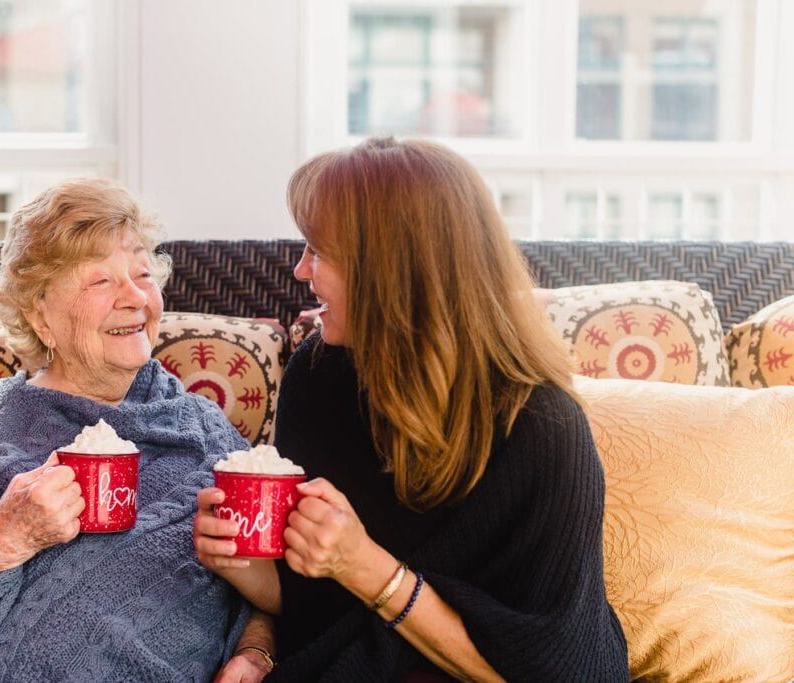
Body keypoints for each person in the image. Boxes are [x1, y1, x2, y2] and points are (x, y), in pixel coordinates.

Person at [194, 137, 629, 681]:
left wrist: (365, 566)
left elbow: (555, 668)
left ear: (394, 269)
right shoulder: (317, 374)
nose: (302, 270)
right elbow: (323, 608)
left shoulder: (543, 427)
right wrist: (247, 571)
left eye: (320, 251)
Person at [0, 178, 274, 682]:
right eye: (101, 282)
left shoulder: (206, 432)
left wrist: (255, 652)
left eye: (142, 273)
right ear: (40, 314)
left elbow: (272, 590)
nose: (135, 298)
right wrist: (5, 538)